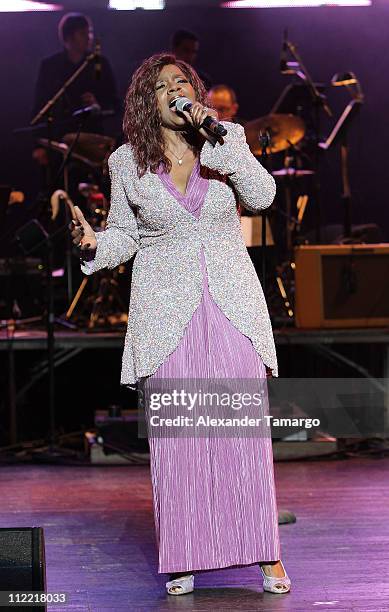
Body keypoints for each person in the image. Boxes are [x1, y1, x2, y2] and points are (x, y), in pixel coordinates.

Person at [70, 53, 291, 597]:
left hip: (232, 305)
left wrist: (225, 147)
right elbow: (125, 233)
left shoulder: (224, 140)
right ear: (147, 100)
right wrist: (96, 243)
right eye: (164, 85)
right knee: (180, 439)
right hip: (166, 312)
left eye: (184, 82)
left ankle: (265, 554)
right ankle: (184, 554)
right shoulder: (127, 163)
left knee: (241, 435)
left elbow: (262, 197)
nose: (177, 90)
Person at [32, 12, 120, 168]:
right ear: (69, 37)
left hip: (92, 137)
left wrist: (97, 104)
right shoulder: (50, 66)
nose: (89, 37)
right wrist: (38, 145)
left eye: (90, 33)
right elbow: (41, 104)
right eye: (83, 33)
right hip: (59, 137)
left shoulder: (99, 64)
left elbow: (115, 103)